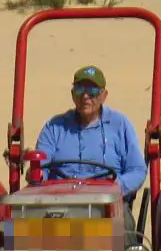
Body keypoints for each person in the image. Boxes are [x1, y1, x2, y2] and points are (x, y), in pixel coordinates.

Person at [35, 63, 147, 194]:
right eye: (79, 90)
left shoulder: (119, 125)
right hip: (60, 202)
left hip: (107, 203)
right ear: (72, 94)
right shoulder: (54, 127)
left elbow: (137, 170)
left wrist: (117, 187)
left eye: (92, 91)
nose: (85, 96)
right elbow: (41, 167)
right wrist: (38, 174)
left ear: (104, 95)